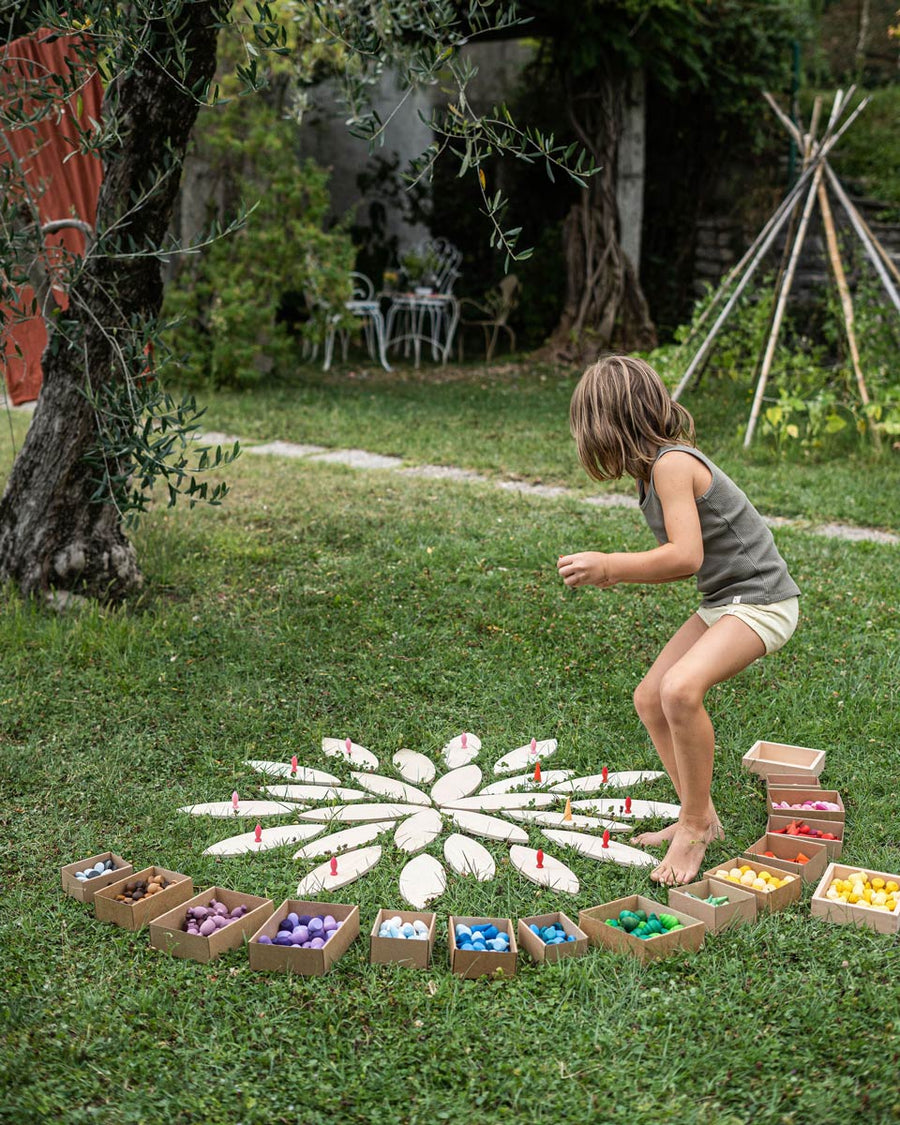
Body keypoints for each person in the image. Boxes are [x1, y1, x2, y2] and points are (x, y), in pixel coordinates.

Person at [557, 355, 800, 886]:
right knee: (651, 697)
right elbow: (689, 561)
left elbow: (686, 556)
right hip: (725, 601)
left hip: (762, 600)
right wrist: (615, 572)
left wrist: (611, 566)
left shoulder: (671, 464)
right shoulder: (651, 473)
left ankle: (691, 827)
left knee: (680, 690)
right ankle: (701, 814)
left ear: (609, 425)